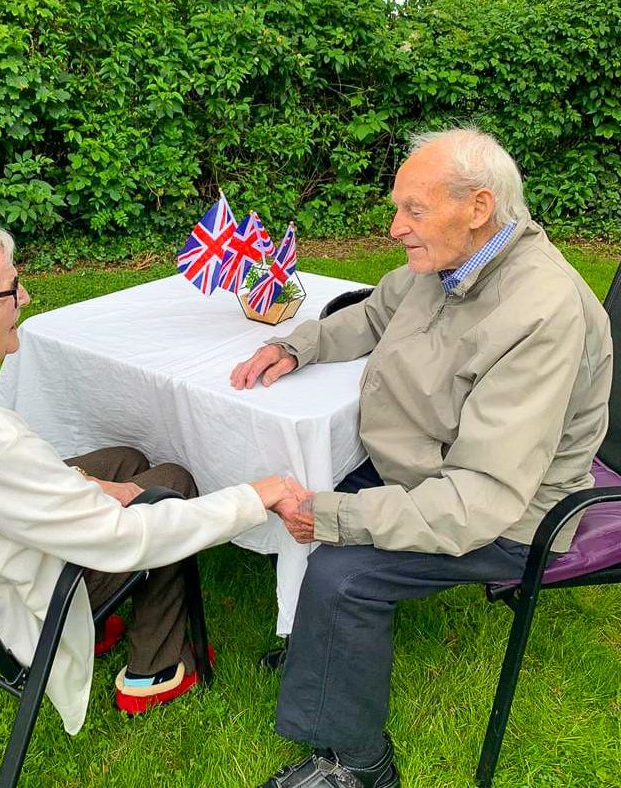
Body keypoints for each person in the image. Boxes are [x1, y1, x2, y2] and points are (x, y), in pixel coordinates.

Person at [231, 128, 612, 788]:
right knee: (292, 475)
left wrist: (340, 517)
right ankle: (324, 650)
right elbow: (373, 315)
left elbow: (482, 496)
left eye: (414, 209)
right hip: (427, 466)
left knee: (343, 573)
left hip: (512, 512)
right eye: (397, 208)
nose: (395, 228)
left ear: (478, 206)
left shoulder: (539, 310)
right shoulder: (450, 261)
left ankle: (356, 763)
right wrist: (299, 345)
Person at [0, 209, 309, 735]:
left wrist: (88, 486)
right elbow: (130, 537)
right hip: (23, 599)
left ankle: (110, 627)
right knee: (169, 487)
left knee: (126, 462)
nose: (26, 298)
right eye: (11, 290)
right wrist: (256, 494)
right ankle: (154, 671)